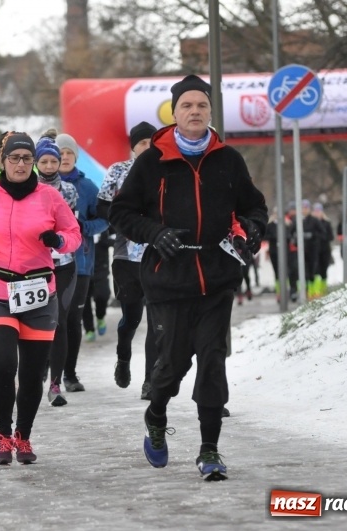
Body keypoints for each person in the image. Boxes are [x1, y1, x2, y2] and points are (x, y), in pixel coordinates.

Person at [109, 75, 268, 481]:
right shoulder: (152, 161)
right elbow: (122, 213)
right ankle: (156, 414)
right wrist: (155, 233)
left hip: (217, 277)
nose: (194, 111)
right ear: (174, 112)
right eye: (187, 105)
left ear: (210, 111)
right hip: (168, 279)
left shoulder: (228, 159)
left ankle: (209, 449)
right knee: (172, 364)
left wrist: (251, 229)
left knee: (213, 361)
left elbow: (254, 207)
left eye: (201, 105)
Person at [0, 132, 81, 464]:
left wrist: (57, 240)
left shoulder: (49, 197)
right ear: (2, 161)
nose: (20, 164)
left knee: (31, 374)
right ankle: (3, 436)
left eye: (27, 158)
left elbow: (74, 234)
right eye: (14, 158)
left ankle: (23, 437)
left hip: (38, 293)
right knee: (4, 365)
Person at [96, 120, 159, 399]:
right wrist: (123, 224)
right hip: (126, 256)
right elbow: (102, 206)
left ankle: (150, 381)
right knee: (131, 318)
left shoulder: (165, 170)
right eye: (143, 143)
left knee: (157, 320)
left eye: (152, 142)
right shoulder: (118, 171)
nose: (148, 147)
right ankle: (123, 358)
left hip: (157, 254)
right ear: (133, 147)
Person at [55, 132, 108, 392]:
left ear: (75, 157)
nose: (65, 158)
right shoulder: (41, 186)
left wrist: (83, 226)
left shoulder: (87, 187)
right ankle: (48, 370)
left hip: (80, 262)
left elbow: (104, 220)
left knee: (72, 319)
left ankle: (70, 374)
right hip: (48, 264)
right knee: (52, 319)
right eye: (60, 153)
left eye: (69, 153)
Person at [35, 134, 79, 407]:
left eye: (54, 161)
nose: (50, 166)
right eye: (45, 161)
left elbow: (72, 227)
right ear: (36, 163)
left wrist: (58, 238)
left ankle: (55, 382)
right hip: (34, 265)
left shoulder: (69, 190)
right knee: (37, 320)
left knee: (60, 320)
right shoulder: (28, 188)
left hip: (63, 263)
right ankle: (36, 371)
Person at [82, 229, 112, 342]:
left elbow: (116, 239)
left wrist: (104, 240)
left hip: (101, 268)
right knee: (84, 301)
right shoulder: (80, 222)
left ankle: (100, 316)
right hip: (82, 268)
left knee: (102, 295)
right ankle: (89, 329)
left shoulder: (104, 223)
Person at [300, 199, 325, 299]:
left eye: (306, 208)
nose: (304, 210)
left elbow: (323, 233)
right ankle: (305, 292)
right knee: (303, 272)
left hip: (313, 250)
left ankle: (314, 293)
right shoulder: (298, 220)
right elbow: (291, 233)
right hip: (301, 251)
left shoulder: (314, 221)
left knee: (313, 271)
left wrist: (313, 236)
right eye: (303, 208)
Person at [311, 202, 334, 297]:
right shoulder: (311, 223)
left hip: (324, 250)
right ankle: (316, 292)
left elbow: (331, 237)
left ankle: (323, 291)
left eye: (319, 211)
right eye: (315, 211)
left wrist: (321, 236)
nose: (317, 213)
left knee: (323, 271)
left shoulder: (326, 223)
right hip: (314, 251)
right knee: (315, 271)